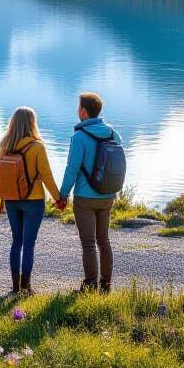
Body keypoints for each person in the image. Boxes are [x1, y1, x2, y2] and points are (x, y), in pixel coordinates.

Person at [0, 106, 65, 295]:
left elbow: (1, 176)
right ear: (32, 123)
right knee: (29, 243)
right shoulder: (37, 147)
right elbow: (47, 175)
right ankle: (27, 287)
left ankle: (15, 287)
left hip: (11, 200)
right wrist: (59, 198)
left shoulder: (5, 145)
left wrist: (2, 198)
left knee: (16, 242)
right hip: (33, 200)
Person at [59, 92, 121, 293]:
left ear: (83, 112)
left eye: (79, 108)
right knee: (104, 240)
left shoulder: (79, 137)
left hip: (85, 197)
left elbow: (72, 169)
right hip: (107, 195)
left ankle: (90, 285)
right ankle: (106, 285)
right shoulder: (113, 133)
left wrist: (63, 194)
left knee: (88, 243)